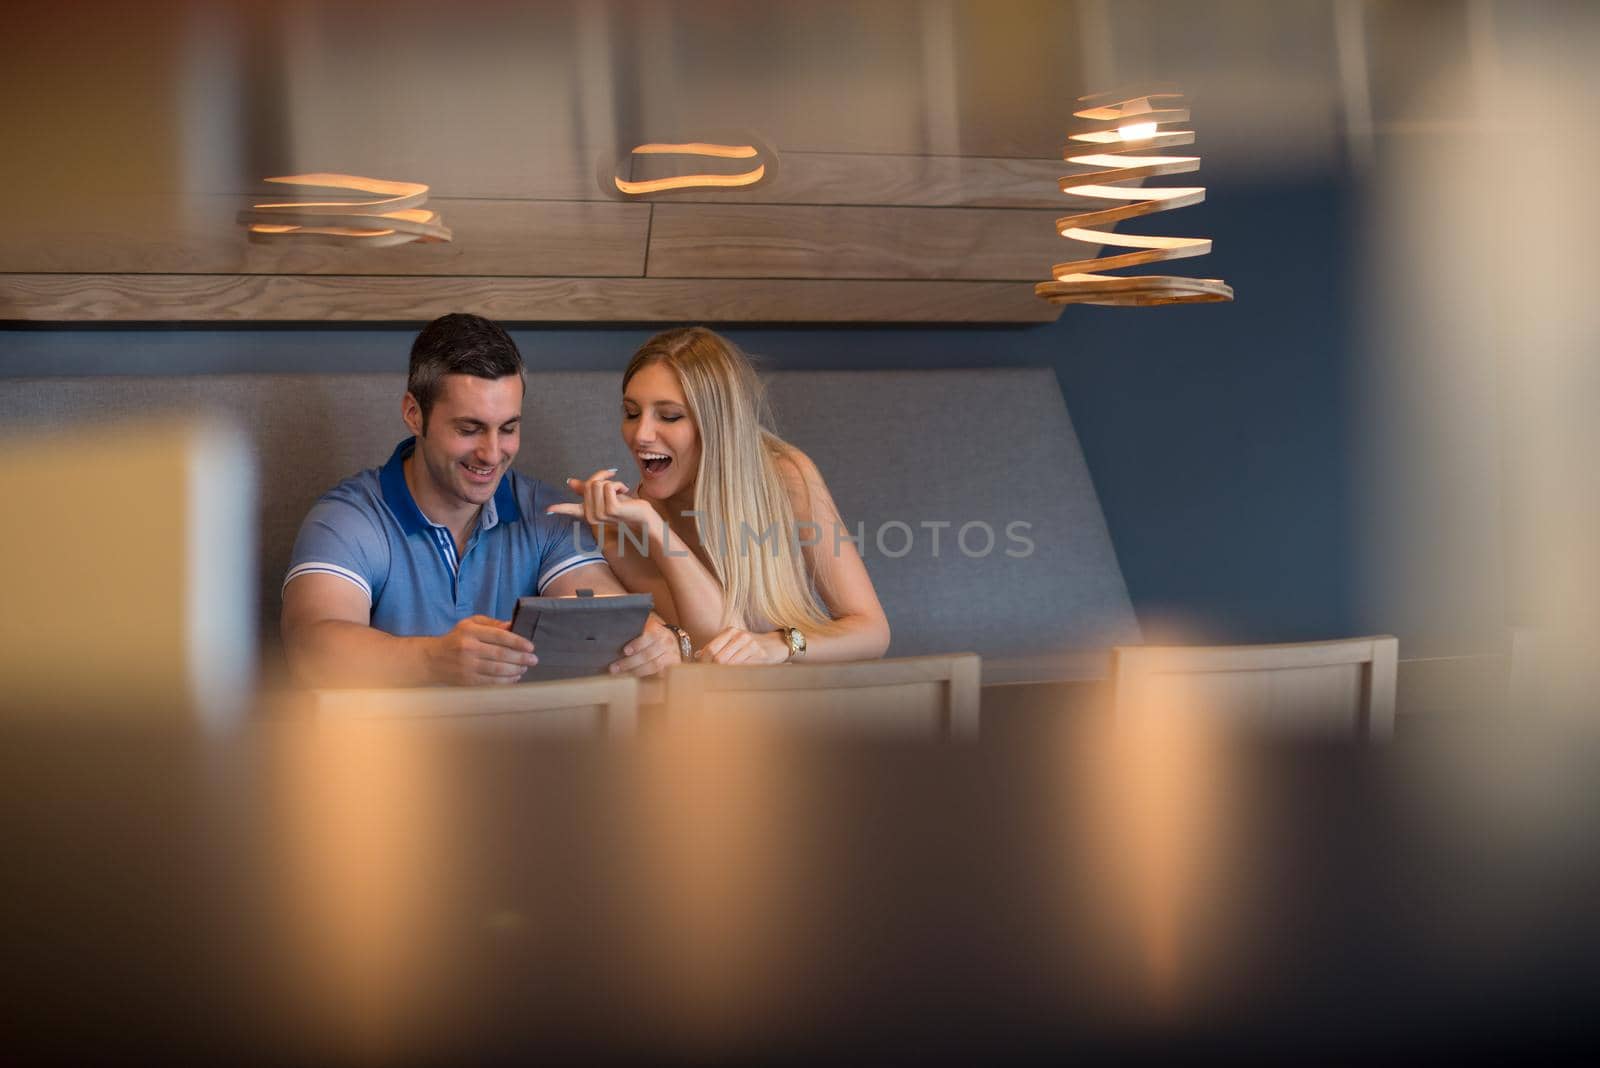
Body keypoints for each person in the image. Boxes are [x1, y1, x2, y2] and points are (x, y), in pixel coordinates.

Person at [281, 313, 679, 687]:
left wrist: (652, 641)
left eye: (507, 428)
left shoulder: (548, 515)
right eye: (469, 428)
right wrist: (434, 659)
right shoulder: (349, 518)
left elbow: (609, 620)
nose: (492, 453)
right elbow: (310, 649)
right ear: (414, 414)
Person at [548, 326, 890, 664]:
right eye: (632, 413)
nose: (641, 434)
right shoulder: (629, 524)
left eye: (669, 416)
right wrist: (655, 529)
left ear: (717, 424)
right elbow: (712, 642)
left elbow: (872, 631)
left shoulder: (787, 479)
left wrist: (780, 645)